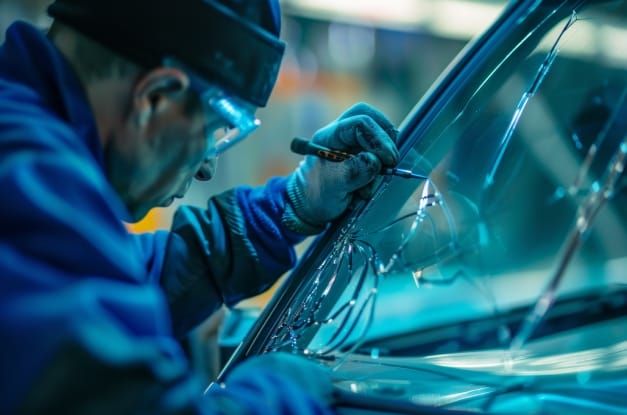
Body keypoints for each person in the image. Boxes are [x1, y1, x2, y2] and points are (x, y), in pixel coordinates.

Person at [0, 0, 400, 413]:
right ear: (156, 97)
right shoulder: (25, 180)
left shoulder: (26, 151)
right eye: (212, 129)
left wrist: (297, 200)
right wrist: (283, 392)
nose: (208, 166)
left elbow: (118, 273)